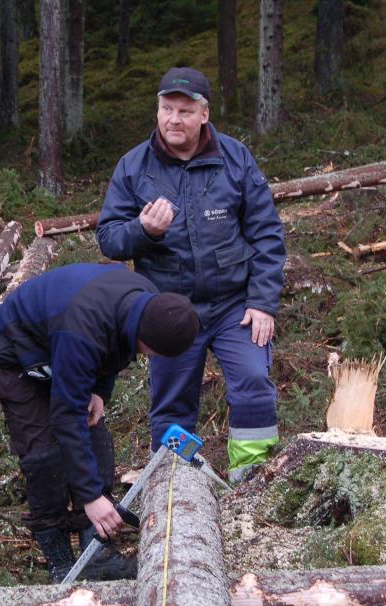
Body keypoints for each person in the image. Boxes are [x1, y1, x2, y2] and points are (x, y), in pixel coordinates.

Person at [96, 67, 286, 484]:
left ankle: (252, 480)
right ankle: (178, 487)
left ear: (204, 114)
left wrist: (262, 302)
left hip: (235, 305)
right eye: (166, 109)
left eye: (184, 111)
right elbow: (109, 238)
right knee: (171, 405)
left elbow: (267, 233)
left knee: (253, 381)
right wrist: (143, 231)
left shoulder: (235, 159)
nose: (173, 120)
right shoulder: (134, 167)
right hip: (170, 309)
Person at [0, 262, 199, 582]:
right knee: (43, 454)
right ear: (146, 335)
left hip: (60, 345)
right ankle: (58, 557)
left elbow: (115, 349)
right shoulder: (82, 328)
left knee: (95, 438)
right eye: (154, 353)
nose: (152, 359)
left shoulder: (147, 302)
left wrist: (99, 390)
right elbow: (66, 415)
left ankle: (94, 549)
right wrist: (90, 497)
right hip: (15, 353)